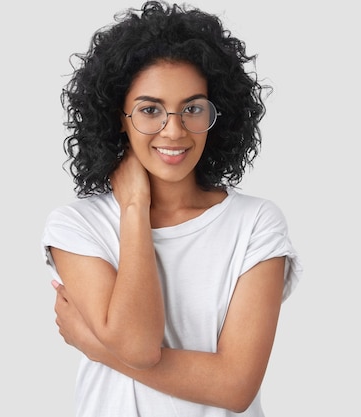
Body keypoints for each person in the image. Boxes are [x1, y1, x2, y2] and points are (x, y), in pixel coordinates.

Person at [41, 1, 303, 416]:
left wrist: (97, 346)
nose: (175, 129)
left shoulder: (254, 223)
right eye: (150, 110)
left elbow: (235, 387)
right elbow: (139, 345)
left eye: (192, 108)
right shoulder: (78, 226)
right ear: (118, 118)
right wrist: (133, 207)